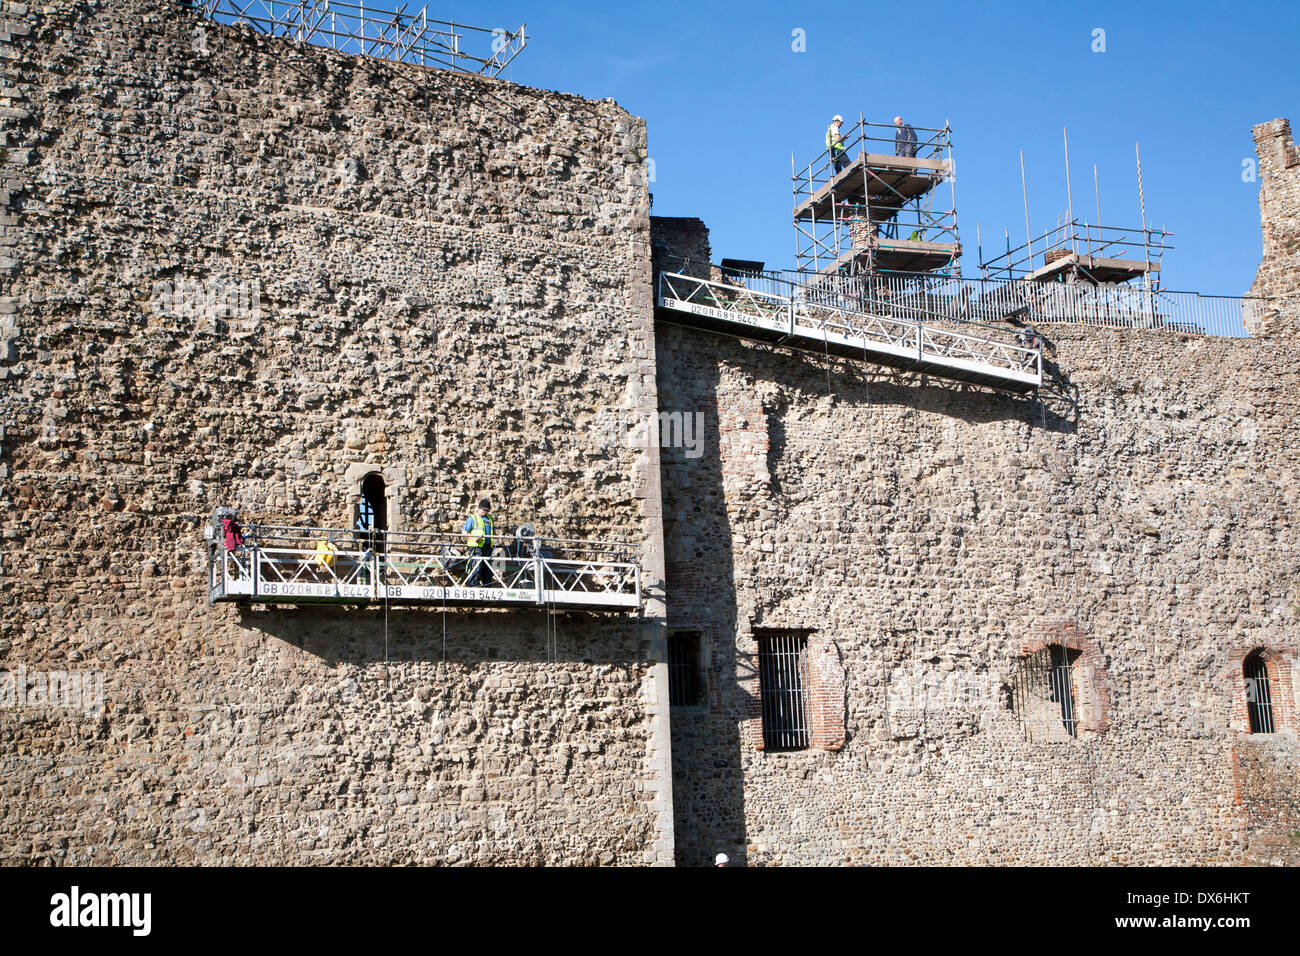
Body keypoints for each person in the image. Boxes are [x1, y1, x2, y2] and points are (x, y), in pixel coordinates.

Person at [462, 498, 495, 587]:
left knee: (487, 570)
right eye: (484, 510)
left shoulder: (489, 519)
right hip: (477, 548)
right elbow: (464, 533)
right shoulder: (472, 519)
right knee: (476, 568)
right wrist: (474, 538)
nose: (485, 512)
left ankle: (487, 588)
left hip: (488, 548)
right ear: (479, 508)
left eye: (487, 510)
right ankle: (474, 587)